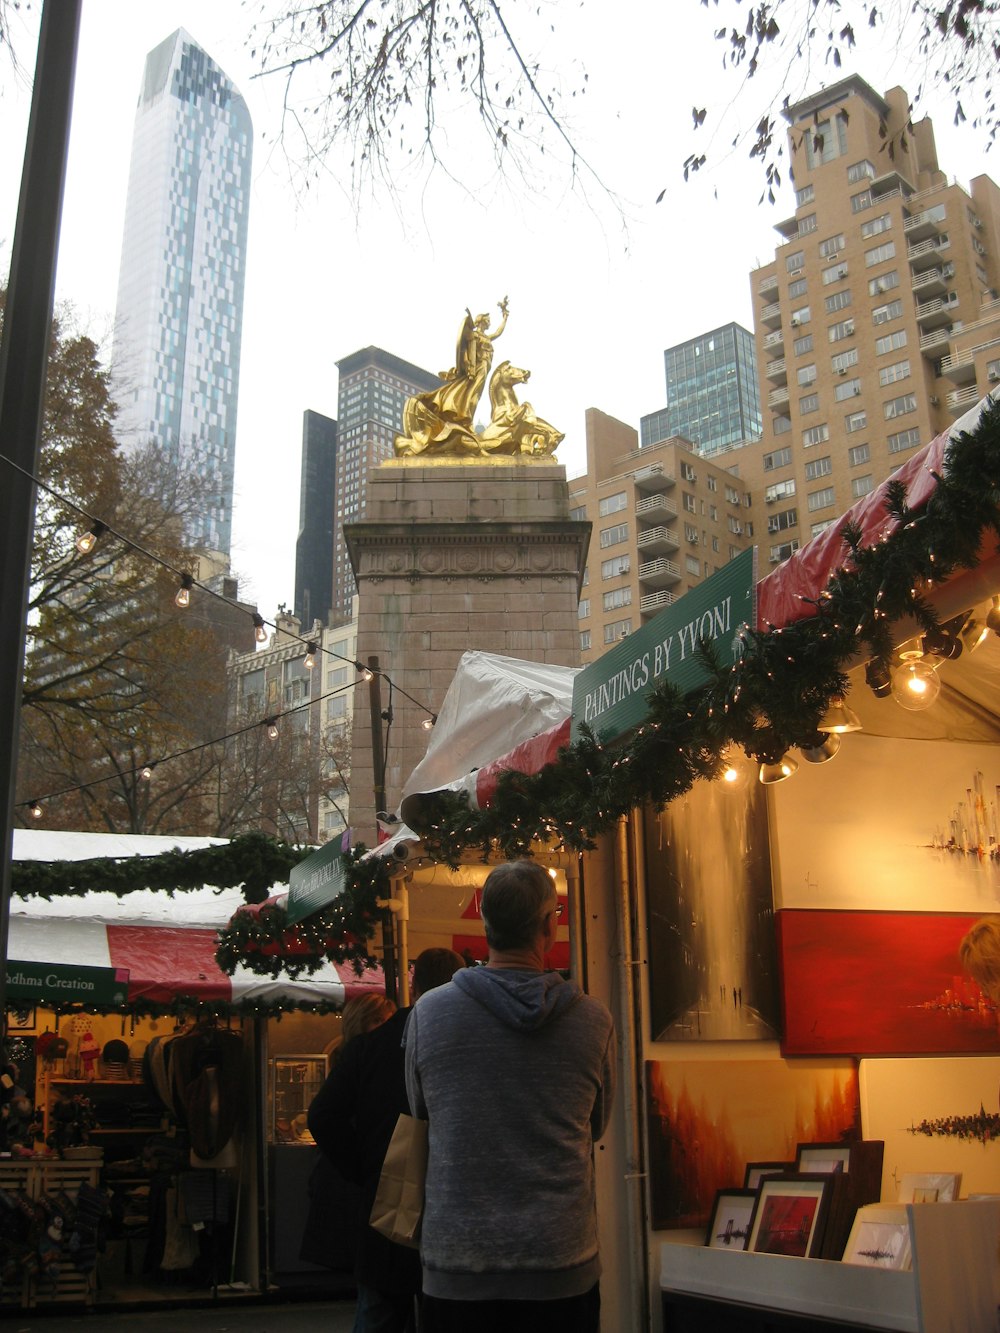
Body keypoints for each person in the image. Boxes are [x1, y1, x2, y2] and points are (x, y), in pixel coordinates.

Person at [405, 860, 616, 1333]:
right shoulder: (592, 1020)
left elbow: (422, 1112)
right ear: (549, 923)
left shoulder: (429, 1014)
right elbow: (595, 1124)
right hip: (561, 1262)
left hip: (458, 1263)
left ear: (486, 923)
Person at [309, 948, 465, 1333]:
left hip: (388, 1201)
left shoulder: (373, 1044)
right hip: (457, 1200)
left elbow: (322, 1116)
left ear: (414, 984)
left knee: (380, 1309)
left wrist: (364, 1168)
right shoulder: (469, 1040)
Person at [300, 994, 397, 1274]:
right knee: (375, 1289)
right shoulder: (358, 1059)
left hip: (347, 1178)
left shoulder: (354, 1055)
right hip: (353, 1183)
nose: (384, 1026)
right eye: (377, 1020)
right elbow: (324, 1117)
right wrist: (361, 1165)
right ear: (360, 1023)